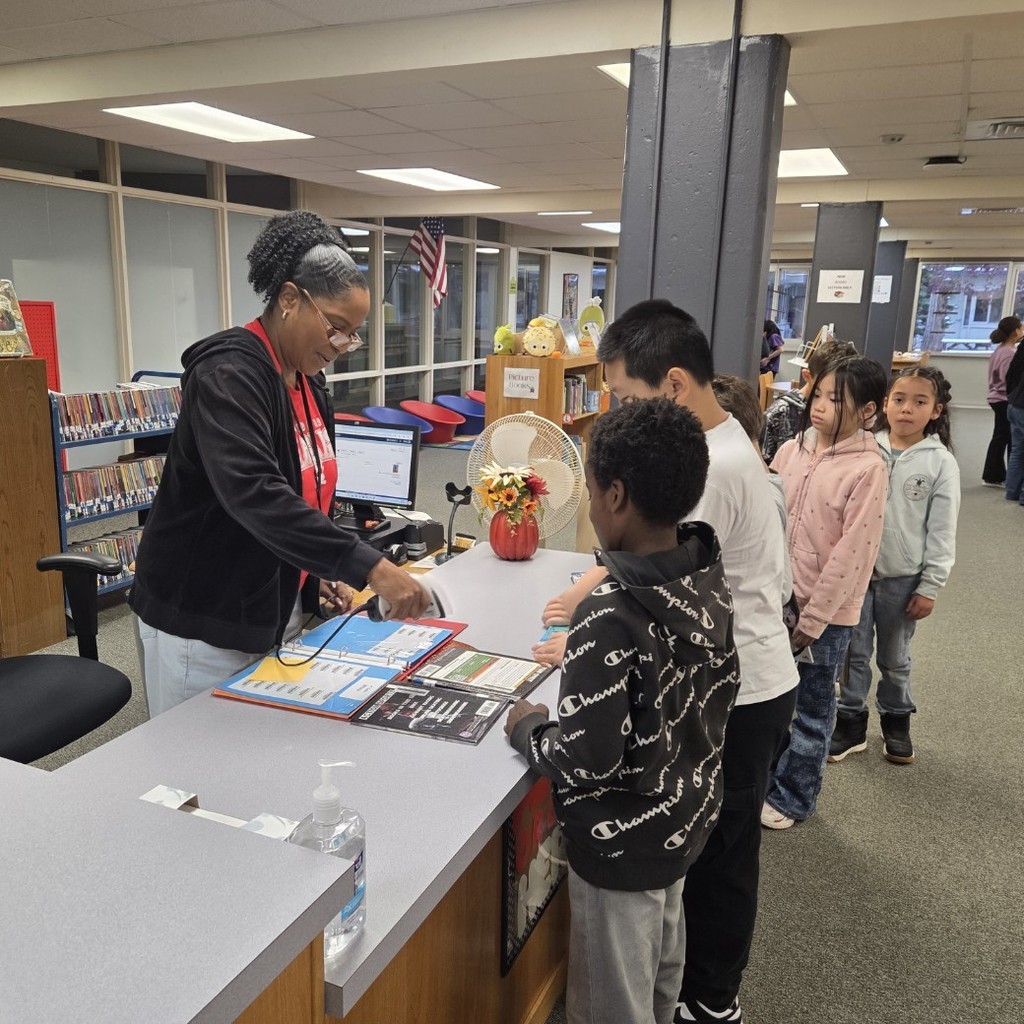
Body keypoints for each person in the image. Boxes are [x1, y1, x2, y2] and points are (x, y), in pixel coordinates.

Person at [533, 300, 798, 1024]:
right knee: (696, 870)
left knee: (721, 869)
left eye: (625, 397)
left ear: (675, 384)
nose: (619, 411)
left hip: (746, 692)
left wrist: (590, 637)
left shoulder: (708, 467)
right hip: (734, 676)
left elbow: (639, 581)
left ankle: (712, 1003)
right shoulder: (721, 442)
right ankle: (692, 996)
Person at [130, 211, 428, 716]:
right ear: (290, 300)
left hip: (271, 607)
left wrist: (317, 573)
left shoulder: (308, 382)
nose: (342, 347)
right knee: (193, 776)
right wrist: (368, 565)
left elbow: (305, 493)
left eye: (352, 334)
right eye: (336, 328)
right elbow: (255, 492)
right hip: (202, 618)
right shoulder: (230, 374)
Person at [505, 397, 740, 1024]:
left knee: (612, 1000)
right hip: (683, 819)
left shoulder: (606, 616)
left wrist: (528, 727)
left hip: (620, 848)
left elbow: (587, 756)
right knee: (661, 972)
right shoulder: (703, 574)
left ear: (613, 496)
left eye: (586, 490)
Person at [761, 356, 889, 831]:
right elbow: (766, 510)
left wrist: (812, 623)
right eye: (818, 394)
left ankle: (795, 797)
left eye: (837, 400)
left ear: (867, 410)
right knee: (772, 699)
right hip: (777, 598)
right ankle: (771, 779)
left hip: (826, 613)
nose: (820, 405)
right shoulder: (794, 449)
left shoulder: (868, 469)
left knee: (811, 711)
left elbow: (852, 557)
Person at [830, 367, 960, 766]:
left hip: (902, 579)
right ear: (885, 404)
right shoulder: (865, 448)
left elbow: (942, 530)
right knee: (853, 653)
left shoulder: (940, 463)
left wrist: (930, 585)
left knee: (894, 657)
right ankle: (851, 722)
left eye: (920, 402)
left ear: (935, 410)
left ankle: (897, 722)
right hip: (856, 574)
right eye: (899, 399)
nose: (907, 409)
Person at [761, 337, 857, 463]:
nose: (820, 408)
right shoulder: (780, 412)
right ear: (807, 376)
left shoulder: (848, 412)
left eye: (835, 398)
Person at [981, 315, 1022, 486]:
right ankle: (995, 475)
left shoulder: (1000, 350)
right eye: (1021, 328)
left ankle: (996, 474)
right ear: (1015, 332)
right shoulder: (1009, 354)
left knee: (1001, 436)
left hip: (997, 397)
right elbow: (1008, 380)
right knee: (1005, 437)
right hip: (1003, 399)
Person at [1002, 333, 1024, 505]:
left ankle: (1012, 491)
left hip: (1016, 403)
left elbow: (1012, 373)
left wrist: (1011, 395)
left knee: (1018, 449)